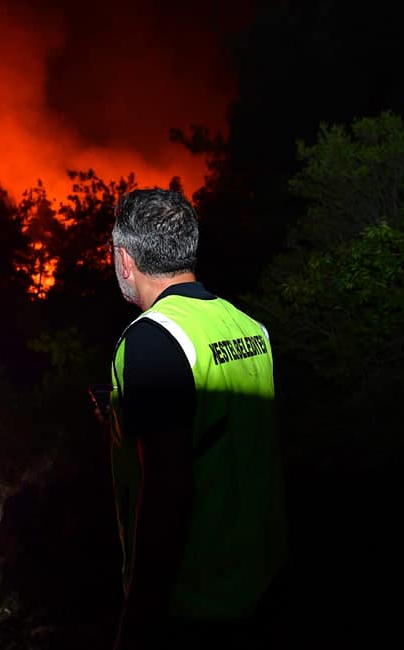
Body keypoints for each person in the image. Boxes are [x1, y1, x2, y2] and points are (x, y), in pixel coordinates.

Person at [106, 188, 288, 648]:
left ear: (125, 260)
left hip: (195, 599)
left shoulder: (152, 339)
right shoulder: (248, 326)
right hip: (261, 583)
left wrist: (138, 617)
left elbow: (167, 491)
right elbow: (225, 431)